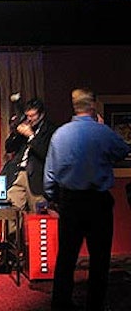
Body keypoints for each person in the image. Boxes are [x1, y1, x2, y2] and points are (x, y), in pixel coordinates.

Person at [44, 88, 130, 311]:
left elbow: (50, 176)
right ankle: (95, 305)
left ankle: (60, 304)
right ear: (92, 106)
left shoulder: (60, 135)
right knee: (100, 259)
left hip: (70, 202)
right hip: (97, 202)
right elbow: (123, 151)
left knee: (66, 257)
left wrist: (54, 200)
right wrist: (102, 128)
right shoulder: (102, 132)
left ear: (74, 107)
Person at [5, 97, 57, 214]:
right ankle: (14, 233)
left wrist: (31, 136)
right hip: (18, 174)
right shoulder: (25, 126)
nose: (29, 119)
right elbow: (9, 148)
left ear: (41, 114)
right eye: (27, 116)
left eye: (32, 116)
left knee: (38, 215)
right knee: (12, 212)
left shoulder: (50, 130)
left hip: (36, 178)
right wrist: (16, 131)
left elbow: (45, 153)